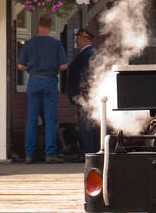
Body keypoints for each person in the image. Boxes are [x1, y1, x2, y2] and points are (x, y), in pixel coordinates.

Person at [18, 15, 67, 163]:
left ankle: (29, 154)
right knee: (50, 120)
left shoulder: (28, 43)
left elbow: (20, 66)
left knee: (31, 120)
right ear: (50, 27)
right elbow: (63, 66)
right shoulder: (56, 44)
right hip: (50, 81)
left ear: (38, 26)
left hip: (33, 81)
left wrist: (31, 69)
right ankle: (50, 154)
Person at [67, 26, 101, 157]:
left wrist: (78, 93)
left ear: (84, 39)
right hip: (89, 95)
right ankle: (93, 151)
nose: (76, 42)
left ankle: (88, 152)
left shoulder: (89, 54)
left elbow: (87, 76)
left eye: (78, 38)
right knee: (92, 124)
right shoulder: (89, 53)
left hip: (85, 95)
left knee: (86, 125)